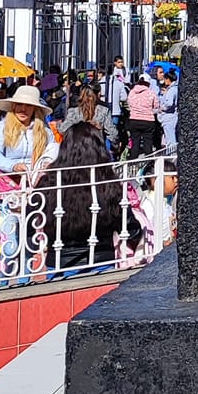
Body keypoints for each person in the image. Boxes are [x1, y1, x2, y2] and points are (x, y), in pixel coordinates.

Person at [37, 123, 140, 272]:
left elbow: (32, 219)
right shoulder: (109, 184)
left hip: (60, 261)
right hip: (101, 260)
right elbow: (131, 228)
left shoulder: (49, 182)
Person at [61, 85, 118, 149]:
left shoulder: (74, 112)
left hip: (77, 148)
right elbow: (112, 134)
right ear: (97, 94)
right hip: (97, 148)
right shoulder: (104, 111)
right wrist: (115, 144)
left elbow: (63, 129)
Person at [124, 75, 160, 159]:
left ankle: (132, 162)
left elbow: (129, 104)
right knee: (148, 143)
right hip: (148, 120)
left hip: (134, 120)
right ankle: (148, 162)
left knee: (135, 142)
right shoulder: (151, 93)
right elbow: (156, 106)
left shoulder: (132, 92)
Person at [156, 72, 178, 152]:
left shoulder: (171, 90)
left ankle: (171, 156)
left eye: (165, 79)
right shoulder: (175, 89)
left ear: (168, 79)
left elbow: (169, 103)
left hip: (168, 117)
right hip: (172, 116)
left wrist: (162, 108)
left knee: (170, 139)